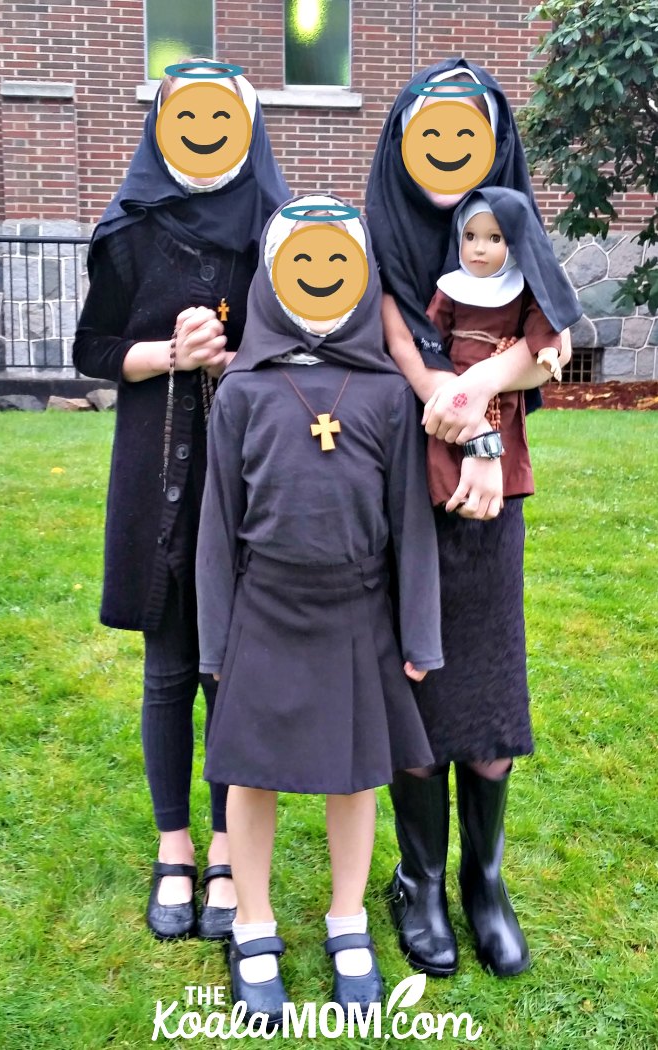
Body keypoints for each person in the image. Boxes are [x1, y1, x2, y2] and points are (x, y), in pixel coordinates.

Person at [195, 194, 443, 1022]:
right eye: (303, 263)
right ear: (274, 276)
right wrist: (216, 638)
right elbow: (217, 530)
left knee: (354, 771)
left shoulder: (382, 396)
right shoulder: (241, 392)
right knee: (250, 772)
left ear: (362, 274)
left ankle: (347, 918)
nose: (322, 277)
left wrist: (418, 631)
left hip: (356, 610)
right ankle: (254, 921)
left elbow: (411, 523)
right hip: (265, 607)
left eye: (339, 263)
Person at [366, 58, 577, 979]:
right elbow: (390, 325)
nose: (449, 152)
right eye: (433, 132)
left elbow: (552, 346)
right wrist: (444, 401)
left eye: (467, 133)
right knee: (415, 671)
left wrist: (484, 389)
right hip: (402, 474)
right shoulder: (380, 233)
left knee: (487, 679)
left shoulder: (511, 228)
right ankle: (418, 879)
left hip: (497, 485)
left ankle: (484, 882)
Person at [72, 59, 289, 942]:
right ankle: (175, 848)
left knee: (229, 668)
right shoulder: (129, 230)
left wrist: (242, 360)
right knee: (168, 669)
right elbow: (91, 350)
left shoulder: (276, 232)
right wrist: (169, 352)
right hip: (156, 469)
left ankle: (234, 853)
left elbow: (299, 340)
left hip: (247, 473)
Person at [426, 188, 580, 509]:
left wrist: (546, 350)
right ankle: (446, 492)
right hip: (455, 372)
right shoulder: (451, 286)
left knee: (504, 431)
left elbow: (541, 320)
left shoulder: (521, 287)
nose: (479, 248)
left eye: (494, 239)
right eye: (470, 236)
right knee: (447, 436)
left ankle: (503, 489)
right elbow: (432, 328)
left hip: (502, 383)